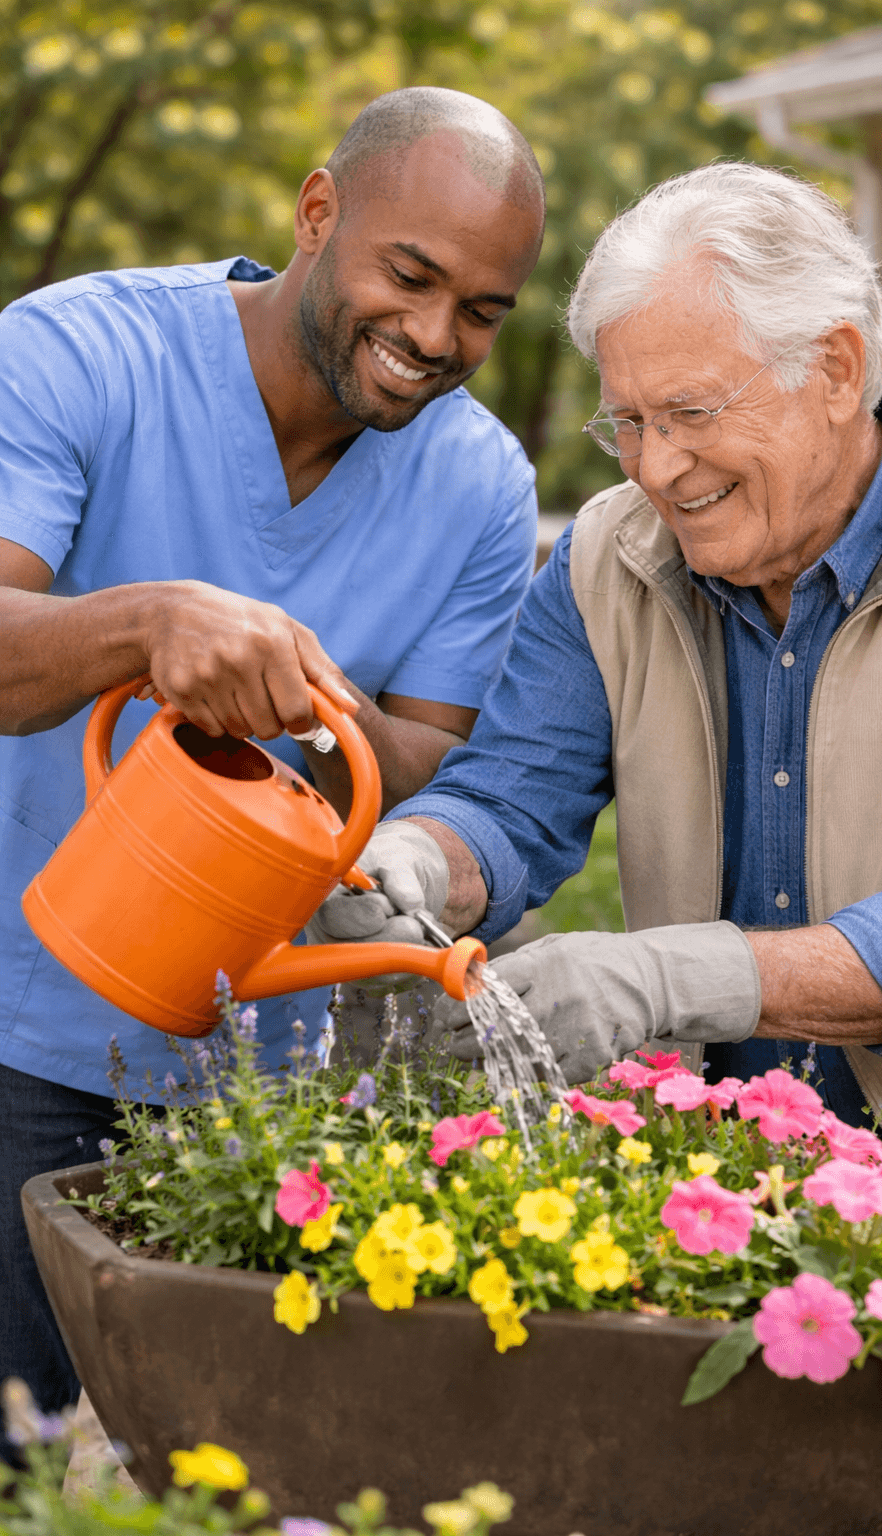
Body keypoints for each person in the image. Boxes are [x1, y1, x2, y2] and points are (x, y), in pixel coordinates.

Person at [0, 86, 545, 1451]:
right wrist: (146, 623)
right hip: (23, 1042)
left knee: (227, 1477)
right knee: (28, 1463)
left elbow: (422, 743)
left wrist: (292, 726)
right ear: (318, 215)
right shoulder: (78, 353)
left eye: (483, 311)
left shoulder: (480, 486)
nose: (435, 336)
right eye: (410, 276)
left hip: (272, 1085)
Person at [317, 162, 882, 1184]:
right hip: (710, 1202)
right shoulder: (609, 554)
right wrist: (420, 856)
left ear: (834, 367)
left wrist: (656, 977)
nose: (655, 469)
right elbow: (513, 797)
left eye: (690, 412)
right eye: (630, 424)